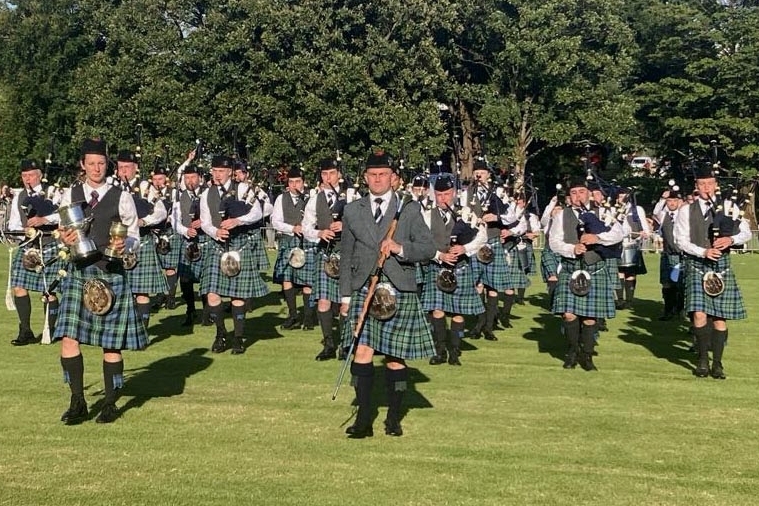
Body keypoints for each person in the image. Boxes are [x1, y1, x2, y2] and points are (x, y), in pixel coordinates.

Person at [339, 150, 436, 438]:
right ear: (365, 178)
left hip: (398, 288)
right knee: (363, 352)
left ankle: (393, 418)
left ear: (393, 178)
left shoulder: (409, 208)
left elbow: (428, 249)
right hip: (363, 289)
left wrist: (400, 248)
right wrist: (345, 296)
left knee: (395, 358)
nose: (378, 179)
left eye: (383, 174)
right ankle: (364, 420)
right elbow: (345, 256)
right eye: (372, 175)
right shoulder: (352, 210)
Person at [55, 138, 147, 424]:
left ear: (108, 165)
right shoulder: (70, 194)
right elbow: (62, 229)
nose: (97, 168)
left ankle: (109, 403)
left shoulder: (121, 195)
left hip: (110, 272)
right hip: (79, 272)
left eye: (102, 163)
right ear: (82, 165)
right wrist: (64, 237)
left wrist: (126, 246)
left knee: (111, 344)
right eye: (91, 163)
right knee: (69, 338)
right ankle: (78, 402)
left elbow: (134, 234)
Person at [674, 164, 749, 379]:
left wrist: (731, 239)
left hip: (722, 267)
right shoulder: (686, 210)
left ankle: (718, 363)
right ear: (696, 187)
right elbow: (681, 240)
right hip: (698, 265)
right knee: (699, 314)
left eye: (710, 183)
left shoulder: (729, 205)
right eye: (702, 184)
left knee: (719, 317)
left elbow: (745, 232)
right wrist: (703, 251)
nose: (706, 187)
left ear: (716, 185)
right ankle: (702, 360)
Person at [550, 177, 624, 371]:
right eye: (573, 193)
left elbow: (618, 234)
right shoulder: (561, 216)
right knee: (569, 315)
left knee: (590, 317)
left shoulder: (603, 212)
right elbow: (554, 242)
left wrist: (597, 237)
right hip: (570, 268)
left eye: (581, 192)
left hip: (595, 268)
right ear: (569, 197)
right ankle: (573, 351)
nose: (578, 196)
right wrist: (572, 249)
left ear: (589, 194)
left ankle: (588, 355)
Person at [200, 154, 269, 354]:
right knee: (212, 294)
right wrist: (215, 231)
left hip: (240, 245)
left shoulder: (243, 188)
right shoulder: (207, 194)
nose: (217, 175)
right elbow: (205, 221)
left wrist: (238, 221)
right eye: (214, 171)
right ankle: (220, 333)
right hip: (217, 245)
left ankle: (238, 337)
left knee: (238, 296)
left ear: (230, 171)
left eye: (221, 171)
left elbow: (257, 212)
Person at [420, 174, 486, 366]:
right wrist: (438, 255)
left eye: (447, 194)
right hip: (437, 266)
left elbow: (481, 236)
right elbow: (422, 242)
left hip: (460, 267)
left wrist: (465, 248)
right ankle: (440, 351)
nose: (443, 198)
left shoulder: (466, 213)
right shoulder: (427, 215)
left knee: (458, 312)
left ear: (454, 193)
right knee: (437, 310)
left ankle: (455, 351)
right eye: (439, 194)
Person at [8, 159, 62, 345]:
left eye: (31, 175)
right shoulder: (19, 195)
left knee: (49, 290)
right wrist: (21, 230)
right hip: (28, 244)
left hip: (49, 243)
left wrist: (43, 219)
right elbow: (14, 222)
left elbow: (61, 214)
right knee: (18, 286)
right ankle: (25, 331)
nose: (27, 179)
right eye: (24, 175)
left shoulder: (53, 191)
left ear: (40, 175)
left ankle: (50, 330)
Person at [117, 150, 169, 331]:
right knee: (120, 288)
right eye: (120, 167)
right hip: (117, 242)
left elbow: (161, 212)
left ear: (135, 168)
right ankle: (124, 327)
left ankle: (142, 330)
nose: (123, 171)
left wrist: (144, 221)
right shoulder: (112, 187)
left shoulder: (146, 187)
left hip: (142, 240)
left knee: (141, 290)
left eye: (127, 167)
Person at [302, 158, 345, 360]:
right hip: (325, 253)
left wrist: (346, 226)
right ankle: (328, 344)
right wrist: (319, 234)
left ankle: (345, 345)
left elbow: (366, 223)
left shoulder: (352, 196)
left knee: (346, 302)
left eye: (332, 174)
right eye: (325, 174)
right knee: (323, 301)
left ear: (339, 174)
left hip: (348, 253)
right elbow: (306, 227)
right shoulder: (315, 198)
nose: (328, 178)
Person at [271, 166, 316, 329]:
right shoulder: (280, 199)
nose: (295, 185)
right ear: (287, 184)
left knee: (307, 282)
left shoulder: (313, 197)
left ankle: (309, 318)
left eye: (298, 182)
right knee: (287, 279)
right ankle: (293, 315)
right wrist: (292, 228)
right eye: (291, 182)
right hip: (288, 241)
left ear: (304, 183)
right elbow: (275, 222)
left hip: (308, 242)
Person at [173, 163, 208, 327]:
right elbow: (175, 222)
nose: (190, 181)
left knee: (207, 278)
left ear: (200, 178)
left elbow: (219, 216)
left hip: (207, 241)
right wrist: (186, 231)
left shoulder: (209, 194)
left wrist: (205, 222)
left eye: (193, 177)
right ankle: (191, 310)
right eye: (187, 178)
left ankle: (208, 312)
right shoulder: (179, 198)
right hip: (188, 241)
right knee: (185, 279)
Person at [654, 188, 685, 321]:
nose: (671, 203)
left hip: (681, 255)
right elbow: (655, 212)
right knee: (667, 283)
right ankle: (668, 310)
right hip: (668, 254)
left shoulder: (684, 215)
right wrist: (662, 198)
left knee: (680, 283)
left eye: (674, 200)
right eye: (669, 201)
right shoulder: (663, 215)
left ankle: (680, 309)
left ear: (679, 202)